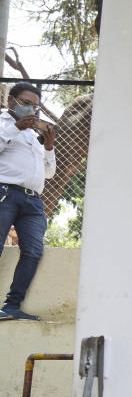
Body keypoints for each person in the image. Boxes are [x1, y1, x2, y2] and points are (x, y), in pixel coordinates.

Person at [0, 82, 57, 321]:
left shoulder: (32, 137)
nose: (31, 109)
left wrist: (49, 147)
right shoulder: (3, 124)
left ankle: (11, 307)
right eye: (26, 103)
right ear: (11, 101)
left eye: (35, 106)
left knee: (33, 251)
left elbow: (48, 173)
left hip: (33, 202)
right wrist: (14, 128)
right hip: (5, 194)